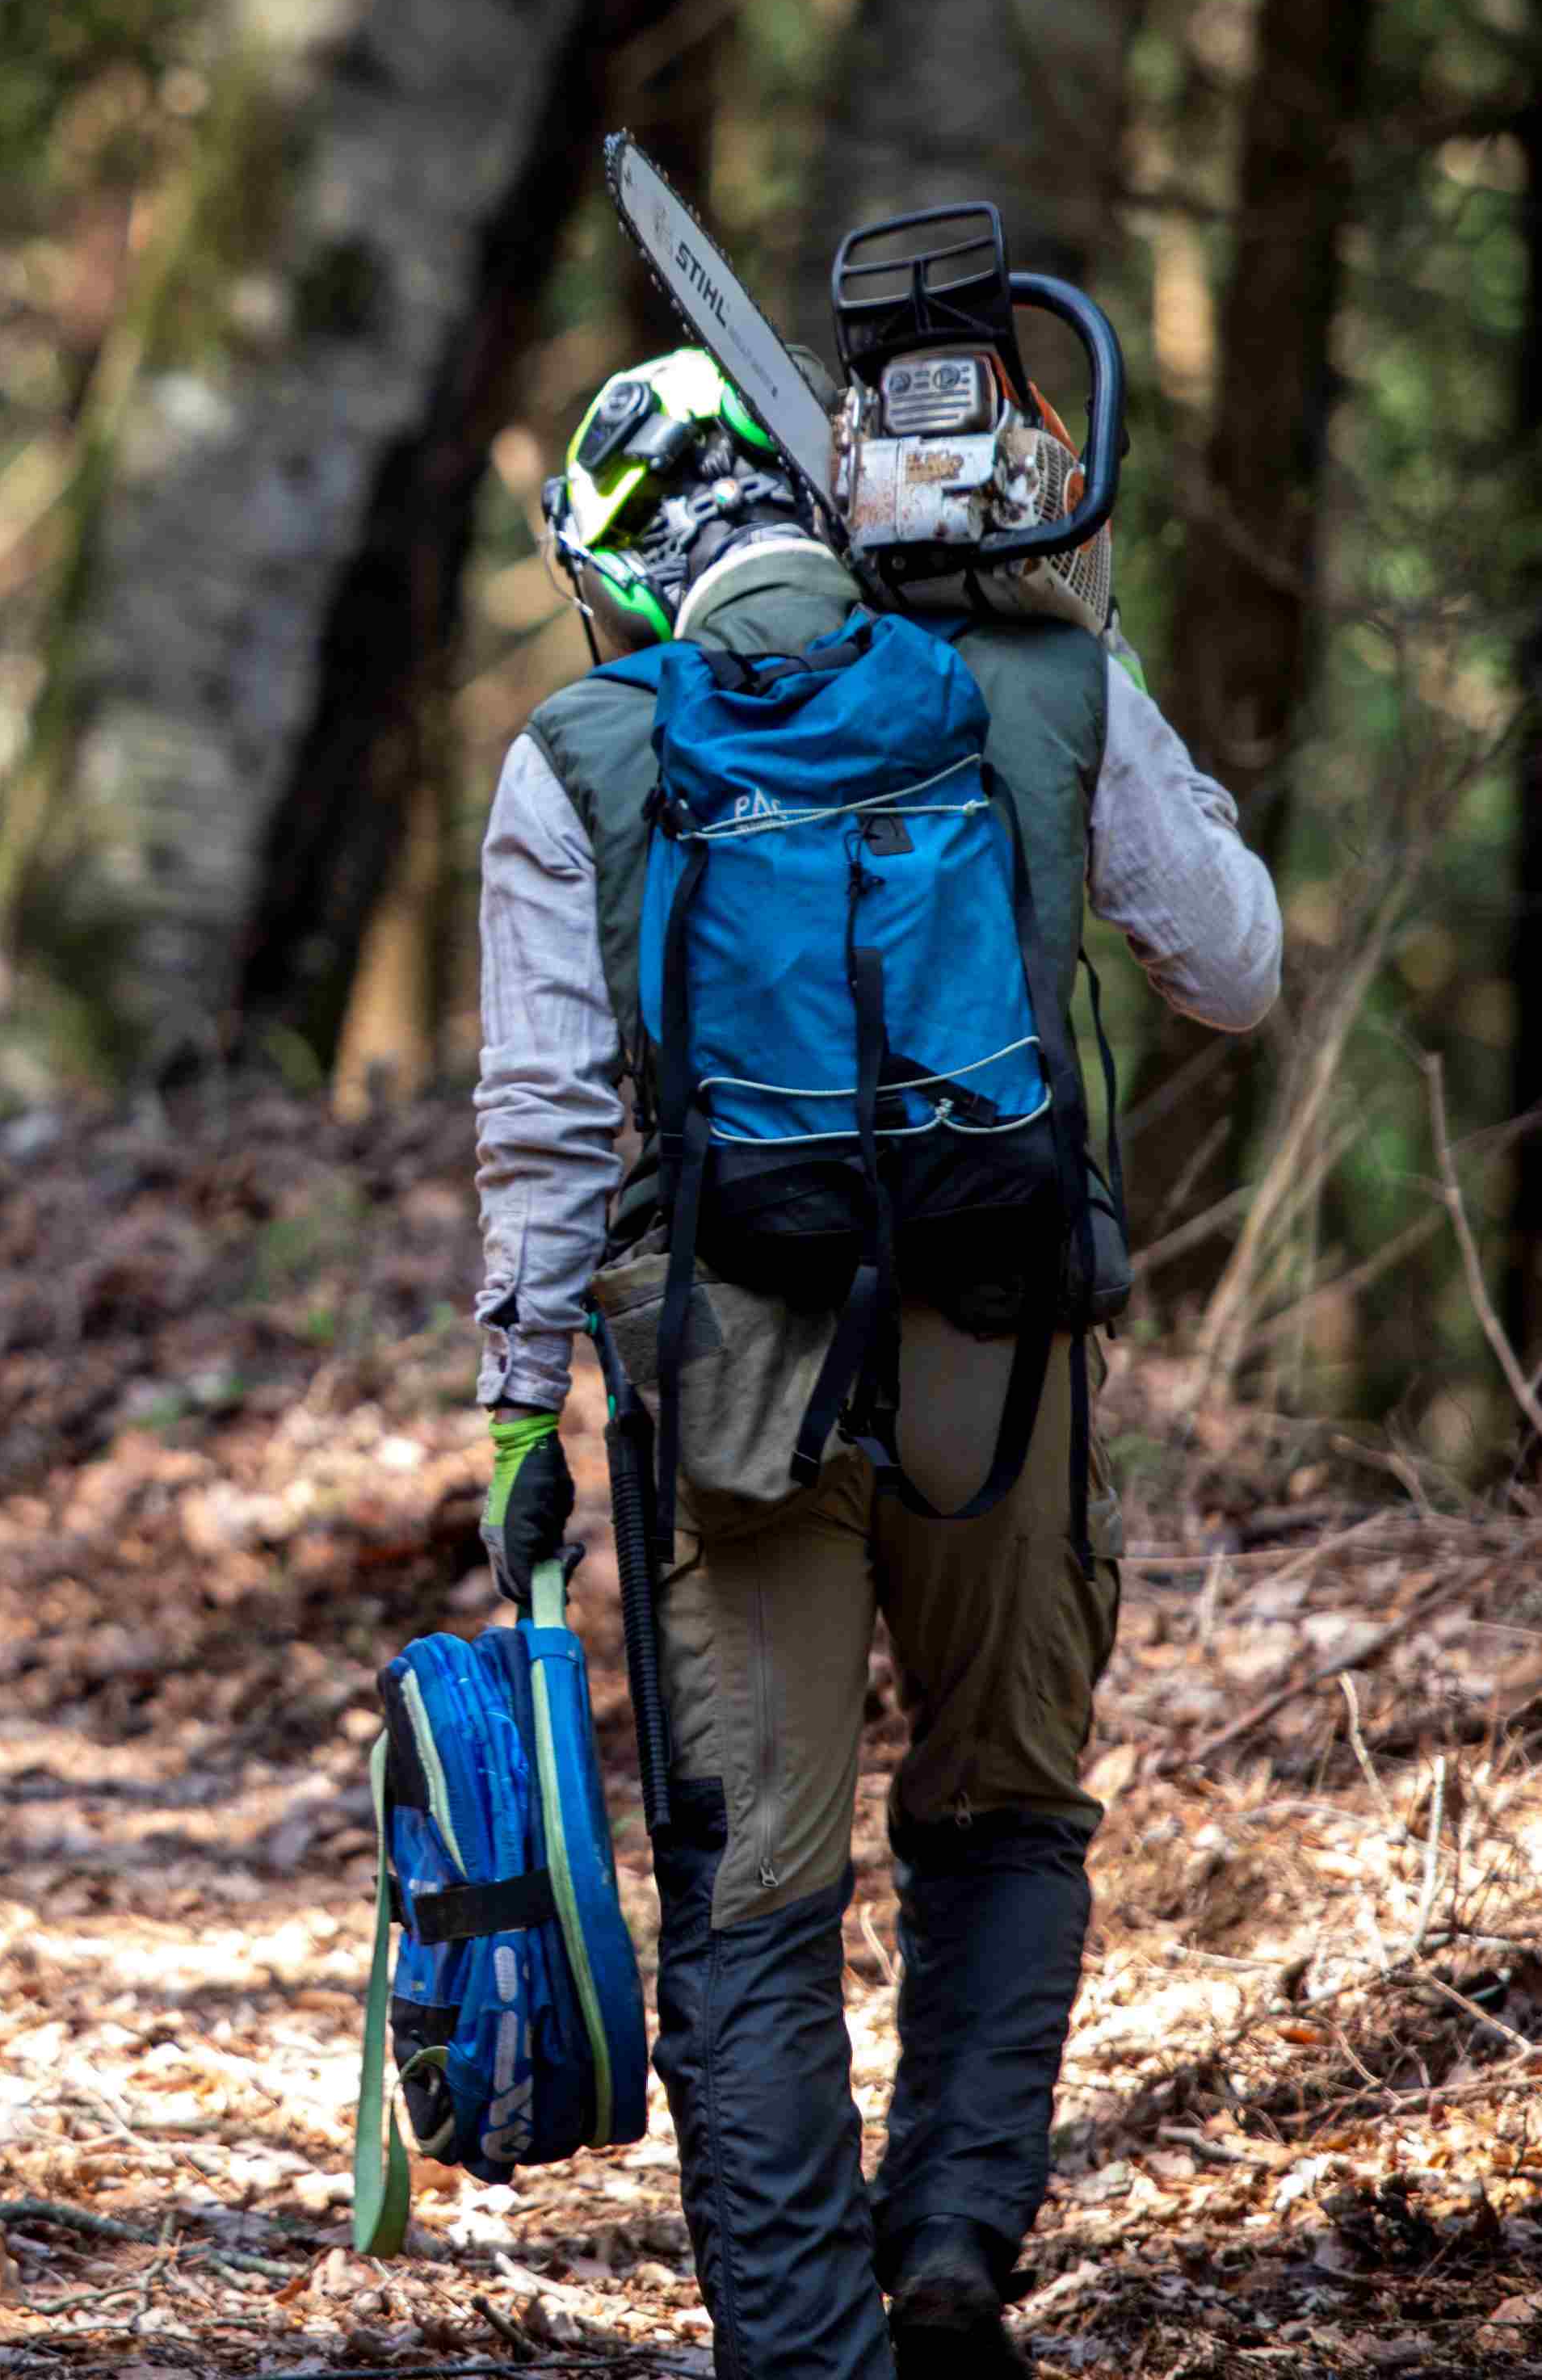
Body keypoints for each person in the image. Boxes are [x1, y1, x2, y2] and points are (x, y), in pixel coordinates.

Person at [469, 343, 1279, 2379]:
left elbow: (555, 1124)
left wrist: (512, 1408)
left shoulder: (579, 749)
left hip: (734, 1378)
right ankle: (948, 2260)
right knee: (1004, 1807)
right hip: (1000, 1359)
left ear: (617, 569)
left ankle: (813, 2355)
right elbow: (1235, 965)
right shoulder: (1032, 675)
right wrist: (1096, 651)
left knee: (753, 1884)